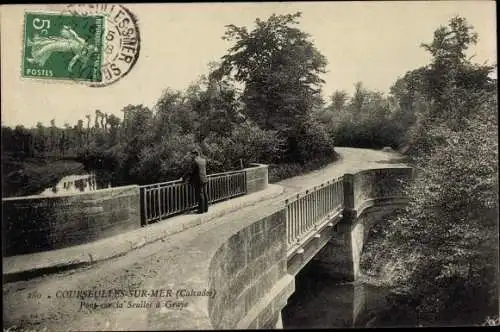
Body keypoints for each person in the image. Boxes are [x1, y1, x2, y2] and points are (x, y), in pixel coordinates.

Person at [181, 149, 209, 214]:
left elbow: (190, 172)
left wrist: (183, 178)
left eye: (192, 154)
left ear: (195, 154)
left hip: (198, 180)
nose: (191, 156)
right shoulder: (203, 160)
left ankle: (201, 210)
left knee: (200, 194)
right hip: (204, 179)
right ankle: (205, 209)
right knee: (205, 194)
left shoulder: (195, 161)